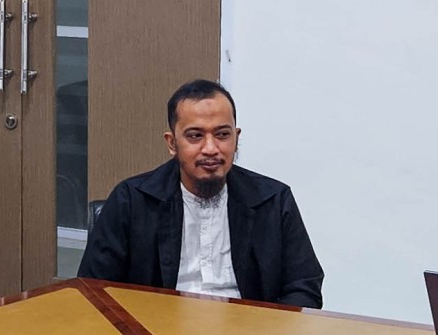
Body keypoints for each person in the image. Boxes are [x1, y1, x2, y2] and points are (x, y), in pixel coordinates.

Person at [77, 80, 324, 308]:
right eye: (195, 136)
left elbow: (304, 288)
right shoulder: (131, 201)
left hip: (248, 331)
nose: (210, 148)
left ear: (236, 138)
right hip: (158, 331)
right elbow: (93, 291)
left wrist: (262, 333)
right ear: (172, 143)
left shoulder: (273, 200)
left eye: (222, 134)